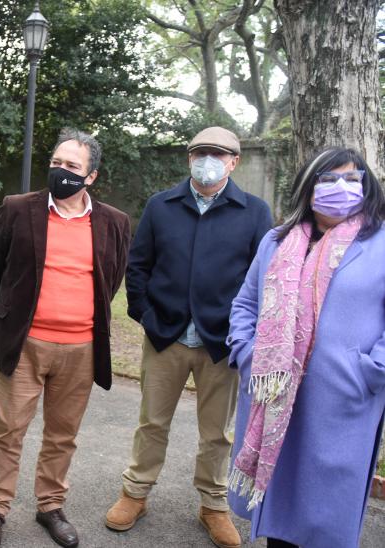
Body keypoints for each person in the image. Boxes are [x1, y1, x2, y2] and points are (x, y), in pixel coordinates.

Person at [105, 126, 272, 548]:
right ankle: (135, 493)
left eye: (218, 153)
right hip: (166, 336)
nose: (208, 159)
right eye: (200, 152)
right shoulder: (162, 205)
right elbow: (138, 265)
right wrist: (145, 314)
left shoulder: (255, 212)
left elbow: (262, 279)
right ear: (188, 159)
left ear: (235, 161)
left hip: (222, 342)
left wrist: (243, 331)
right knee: (152, 422)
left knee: (218, 432)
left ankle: (214, 505)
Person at [0, 128, 131, 548]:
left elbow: (110, 279)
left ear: (91, 176)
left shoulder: (113, 222)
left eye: (72, 166)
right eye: (57, 163)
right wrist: (12, 309)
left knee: (62, 434)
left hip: (80, 349)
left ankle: (50, 506)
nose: (61, 171)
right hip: (24, 344)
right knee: (9, 429)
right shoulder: (16, 209)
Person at [227, 147, 385, 548]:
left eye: (352, 179)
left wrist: (370, 370)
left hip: (341, 399)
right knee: (277, 508)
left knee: (324, 517)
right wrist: (248, 355)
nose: (341, 187)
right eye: (329, 178)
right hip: (275, 395)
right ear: (308, 187)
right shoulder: (276, 241)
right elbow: (245, 303)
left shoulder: (380, 243)